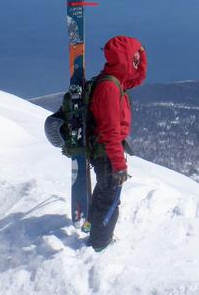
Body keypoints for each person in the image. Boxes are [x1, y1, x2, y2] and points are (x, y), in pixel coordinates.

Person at [85, 35, 147, 251]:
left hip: (105, 151)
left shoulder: (114, 79)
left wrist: (141, 53)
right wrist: (119, 165)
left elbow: (137, 78)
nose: (137, 60)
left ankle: (90, 228)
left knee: (103, 192)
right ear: (125, 58)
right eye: (134, 56)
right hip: (107, 152)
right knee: (110, 199)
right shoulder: (110, 88)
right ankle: (100, 245)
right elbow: (110, 131)